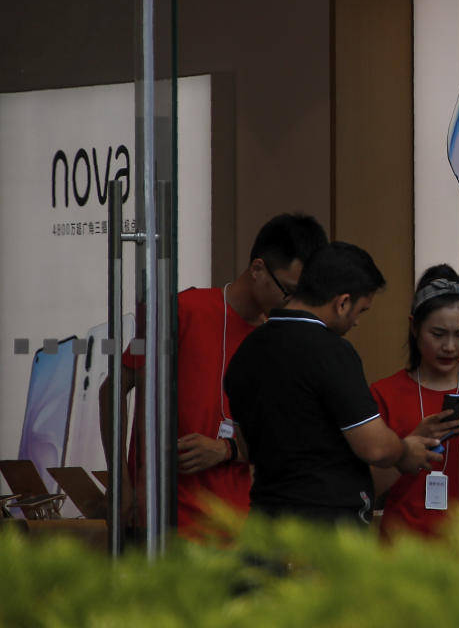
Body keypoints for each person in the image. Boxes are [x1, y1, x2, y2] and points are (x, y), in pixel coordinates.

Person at [100, 213, 327, 540]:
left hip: (235, 525)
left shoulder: (280, 339)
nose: (293, 303)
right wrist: (120, 484)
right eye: (288, 291)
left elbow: (286, 439)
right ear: (258, 268)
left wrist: (226, 449)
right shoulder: (184, 310)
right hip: (163, 520)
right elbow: (113, 390)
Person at [224, 242, 442, 526]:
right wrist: (404, 451)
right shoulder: (330, 351)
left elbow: (247, 447)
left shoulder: (247, 349)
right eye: (360, 311)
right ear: (342, 302)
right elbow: (375, 447)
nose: (356, 323)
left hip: (265, 521)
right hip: (323, 529)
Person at [370, 264, 459, 539]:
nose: (450, 347)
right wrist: (406, 448)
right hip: (403, 548)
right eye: (438, 334)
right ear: (414, 327)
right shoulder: (384, 393)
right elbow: (366, 486)